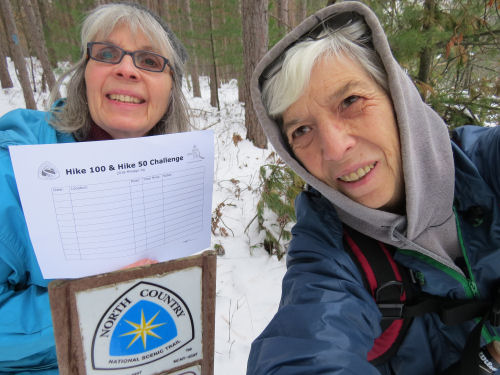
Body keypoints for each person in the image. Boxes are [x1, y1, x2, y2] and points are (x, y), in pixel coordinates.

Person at [247, 2, 500, 375]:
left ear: (399, 100)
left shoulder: (487, 164)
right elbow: (308, 344)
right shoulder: (328, 252)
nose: (334, 149)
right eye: (301, 130)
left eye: (350, 101)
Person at [0, 3, 190, 373]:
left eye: (150, 61)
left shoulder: (178, 175)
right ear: (83, 75)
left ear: (170, 92)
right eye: (107, 54)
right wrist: (88, 295)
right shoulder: (13, 168)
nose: (126, 68)